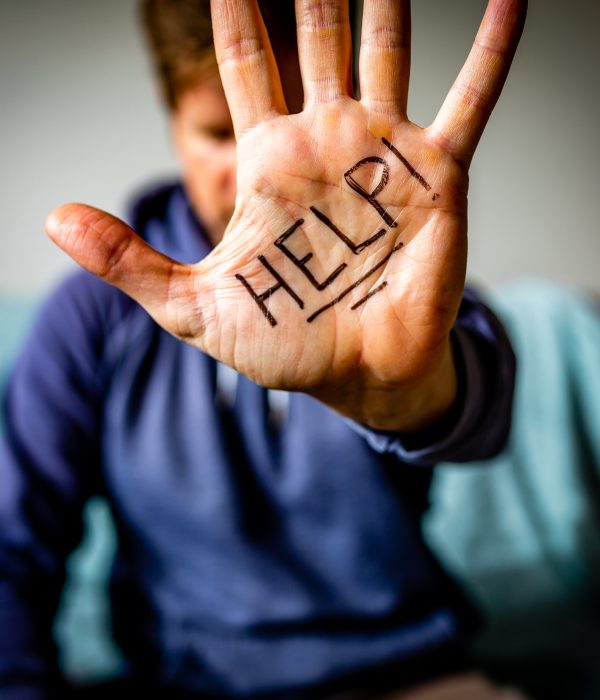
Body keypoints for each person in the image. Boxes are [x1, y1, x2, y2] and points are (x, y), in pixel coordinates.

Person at [0, 0, 527, 697]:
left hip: (411, 675)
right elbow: (13, 548)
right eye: (218, 134)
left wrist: (405, 394)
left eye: (300, 116)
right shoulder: (99, 316)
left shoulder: (394, 278)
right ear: (171, 125)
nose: (255, 170)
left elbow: (480, 399)